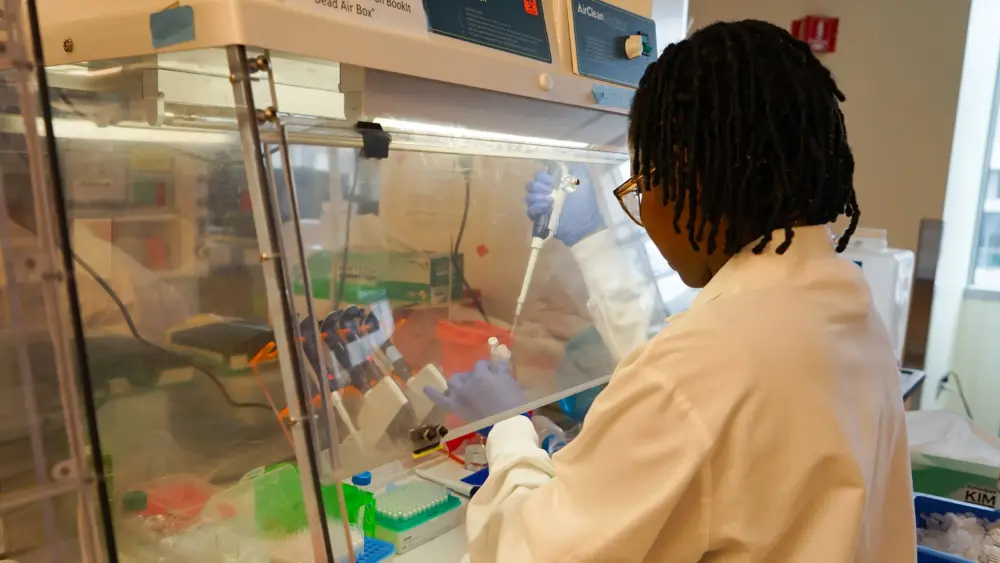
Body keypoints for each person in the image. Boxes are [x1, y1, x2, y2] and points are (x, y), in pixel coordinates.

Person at [464, 19, 916, 563]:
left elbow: (530, 553)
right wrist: (591, 242)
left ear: (686, 177)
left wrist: (509, 434)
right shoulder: (847, 307)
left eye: (642, 185)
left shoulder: (705, 365)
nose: (646, 215)